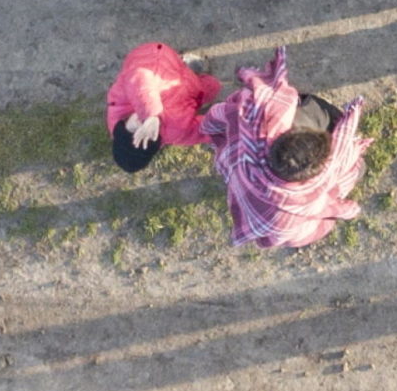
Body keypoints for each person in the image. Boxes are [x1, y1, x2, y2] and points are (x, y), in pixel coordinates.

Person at [200, 46, 371, 249]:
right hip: (290, 229)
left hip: (251, 194)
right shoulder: (311, 198)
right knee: (358, 168)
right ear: (314, 171)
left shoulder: (250, 134)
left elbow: (221, 115)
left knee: (308, 114)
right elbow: (336, 208)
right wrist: (352, 210)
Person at [106, 42, 222, 173]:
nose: (141, 124)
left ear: (122, 125)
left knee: (180, 70)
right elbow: (203, 130)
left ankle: (185, 66)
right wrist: (230, 118)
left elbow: (140, 76)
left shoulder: (118, 105)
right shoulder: (177, 132)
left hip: (154, 60)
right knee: (213, 87)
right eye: (146, 135)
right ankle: (192, 74)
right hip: (188, 91)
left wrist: (151, 114)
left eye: (133, 129)